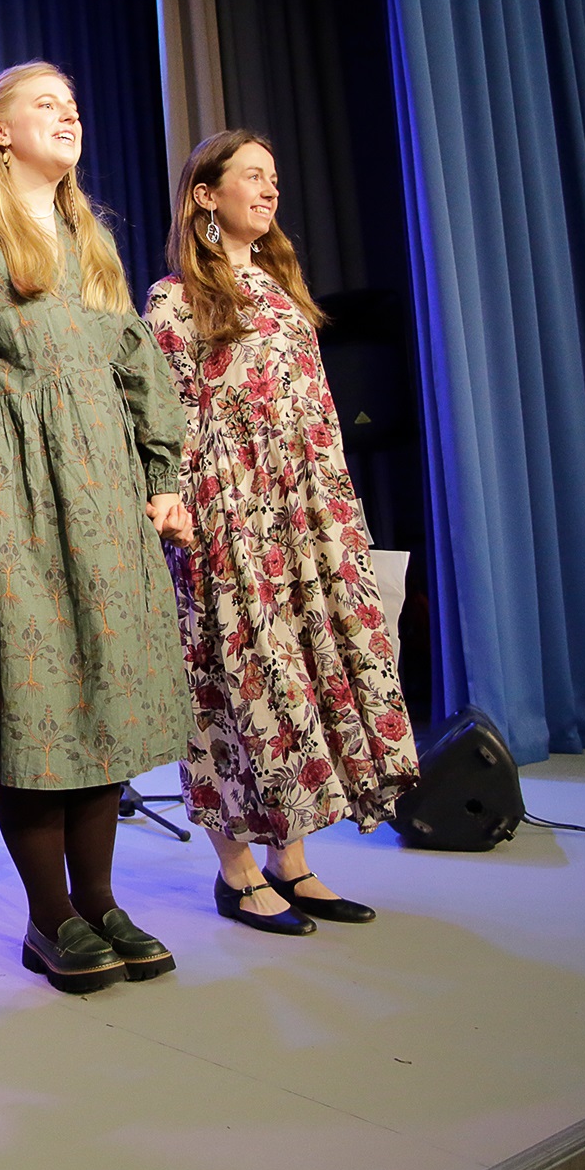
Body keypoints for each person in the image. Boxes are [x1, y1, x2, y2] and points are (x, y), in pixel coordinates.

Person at [0, 61, 196, 996]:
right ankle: (48, 913)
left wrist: (161, 474)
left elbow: (136, 360)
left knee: (101, 694)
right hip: (21, 493)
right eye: (46, 104)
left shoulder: (89, 239)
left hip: (104, 488)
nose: (68, 115)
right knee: (40, 703)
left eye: (73, 104)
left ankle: (100, 898)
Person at [144, 129, 420, 936]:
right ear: (206, 195)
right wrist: (182, 510)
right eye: (251, 176)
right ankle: (235, 872)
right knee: (237, 683)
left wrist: (336, 509)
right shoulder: (172, 300)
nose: (269, 190)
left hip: (304, 511)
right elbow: (168, 419)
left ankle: (290, 863)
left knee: (298, 673)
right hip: (227, 514)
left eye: (273, 177)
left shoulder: (277, 288)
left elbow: (317, 410)